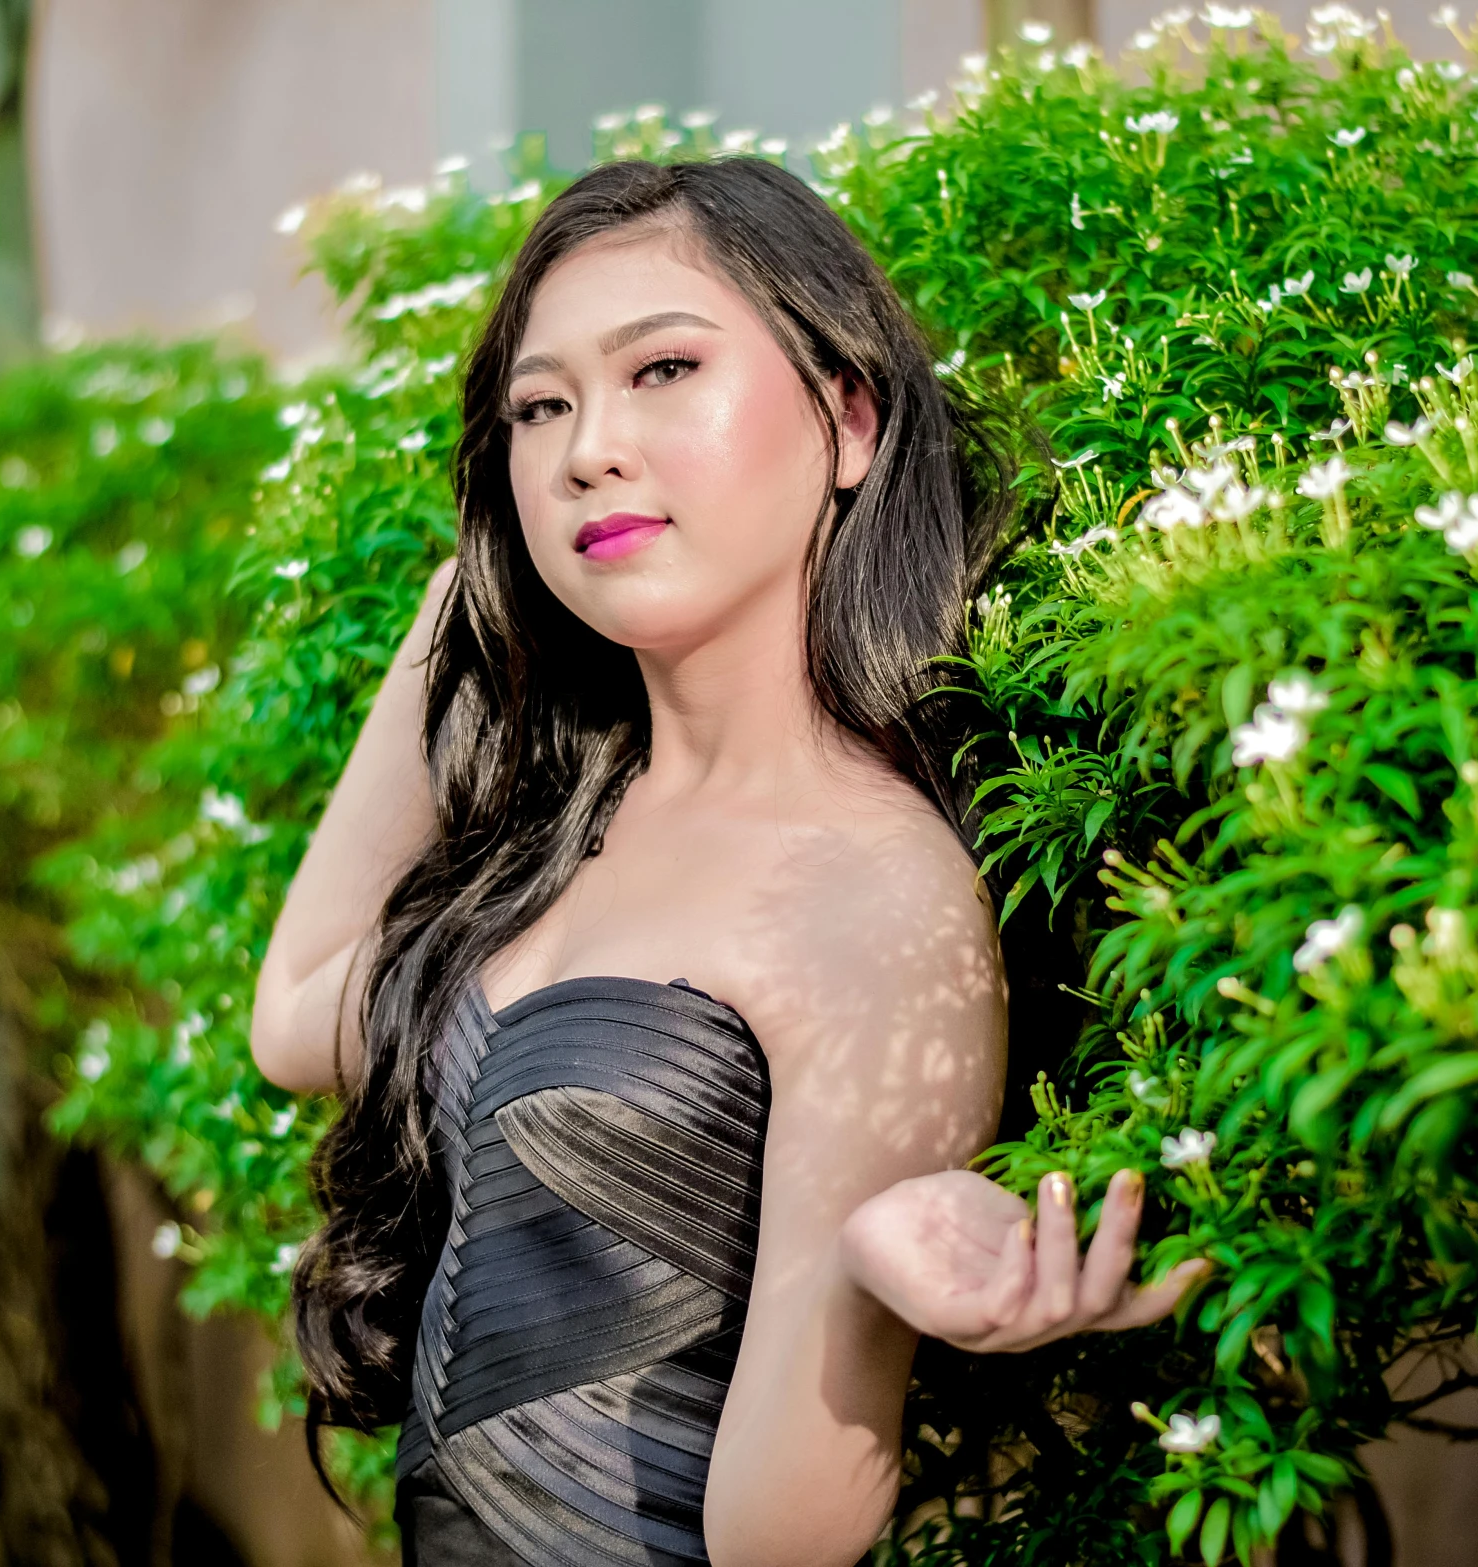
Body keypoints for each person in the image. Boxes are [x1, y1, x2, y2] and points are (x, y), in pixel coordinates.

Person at [248, 156, 1209, 1567]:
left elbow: (775, 1545)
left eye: (663, 370)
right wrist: (455, 606)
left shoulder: (874, 893)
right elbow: (296, 1021)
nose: (587, 449)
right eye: (540, 406)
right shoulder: (572, 824)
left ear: (847, 421)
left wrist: (867, 1277)